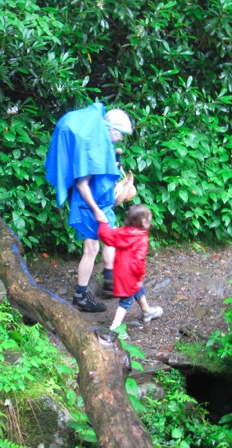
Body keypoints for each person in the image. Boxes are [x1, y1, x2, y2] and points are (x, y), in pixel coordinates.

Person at [44, 103, 133, 312]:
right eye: (120, 133)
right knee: (91, 249)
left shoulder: (105, 144)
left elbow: (105, 172)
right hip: (88, 207)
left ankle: (110, 281)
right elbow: (82, 185)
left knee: (110, 238)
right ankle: (81, 295)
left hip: (102, 204)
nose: (121, 138)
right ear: (111, 129)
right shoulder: (93, 147)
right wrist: (97, 211)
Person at [95, 204, 163, 338]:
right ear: (144, 222)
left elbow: (105, 235)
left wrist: (103, 222)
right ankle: (116, 327)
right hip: (131, 274)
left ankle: (146, 311)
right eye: (149, 218)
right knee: (126, 302)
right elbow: (138, 261)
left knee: (138, 289)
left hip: (119, 271)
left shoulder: (121, 232)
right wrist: (139, 275)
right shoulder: (141, 238)